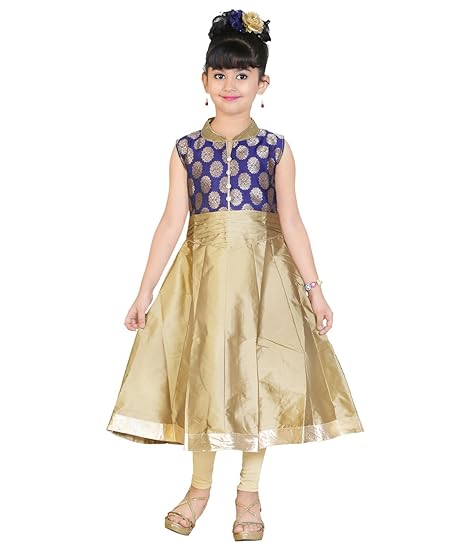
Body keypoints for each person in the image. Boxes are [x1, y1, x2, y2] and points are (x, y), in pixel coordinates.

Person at [106, 8, 364, 541]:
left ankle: (249, 491)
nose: (230, 84)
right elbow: (172, 221)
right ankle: (199, 488)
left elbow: (291, 221)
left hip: (263, 281)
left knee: (255, 379)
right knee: (204, 374)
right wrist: (144, 291)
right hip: (201, 279)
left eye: (242, 74)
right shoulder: (186, 149)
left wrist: (315, 290)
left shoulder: (276, 149)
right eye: (220, 74)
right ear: (204, 80)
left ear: (262, 83)